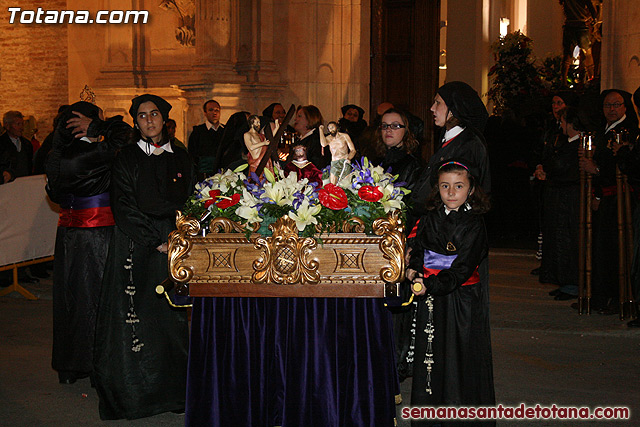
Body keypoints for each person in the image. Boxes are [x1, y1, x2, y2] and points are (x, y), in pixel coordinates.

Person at [93, 94, 194, 420]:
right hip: (137, 247)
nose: (148, 120)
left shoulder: (180, 156)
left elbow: (192, 199)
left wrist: (179, 235)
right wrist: (155, 240)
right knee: (137, 322)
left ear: (164, 118)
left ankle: (175, 393)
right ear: (135, 122)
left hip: (174, 246)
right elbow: (122, 205)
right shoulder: (126, 157)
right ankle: (135, 397)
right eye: (141, 116)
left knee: (171, 322)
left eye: (154, 114)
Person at [45, 101, 131, 385]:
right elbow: (125, 135)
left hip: (67, 235)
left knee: (70, 299)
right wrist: (97, 127)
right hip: (96, 234)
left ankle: (70, 367)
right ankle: (95, 364)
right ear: (85, 122)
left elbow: (55, 195)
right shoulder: (94, 152)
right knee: (96, 299)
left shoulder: (58, 154)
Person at [406, 160, 494, 426]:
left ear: (471, 189)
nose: (451, 192)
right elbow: (419, 248)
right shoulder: (430, 218)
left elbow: (464, 266)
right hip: (431, 298)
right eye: (445, 186)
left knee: (459, 355)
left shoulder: (474, 224)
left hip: (461, 300)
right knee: (431, 353)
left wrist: (431, 284)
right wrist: (413, 269)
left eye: (458, 186)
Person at [579, 88, 639, 314]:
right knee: (599, 248)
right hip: (603, 196)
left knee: (616, 249)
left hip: (619, 198)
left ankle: (617, 296)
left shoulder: (629, 132)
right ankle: (599, 295)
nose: (611, 109)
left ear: (625, 107)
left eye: (616, 105)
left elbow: (623, 166)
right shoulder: (600, 130)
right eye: (607, 105)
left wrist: (595, 169)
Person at [411, 81, 490, 227]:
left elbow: (460, 195)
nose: (432, 108)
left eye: (438, 103)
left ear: (454, 109)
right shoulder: (451, 138)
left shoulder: (469, 144)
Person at [539, 107, 584, 301]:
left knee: (568, 241)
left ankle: (572, 283)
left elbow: (563, 168)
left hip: (570, 200)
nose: (561, 125)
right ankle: (564, 281)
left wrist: (548, 170)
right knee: (558, 240)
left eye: (564, 121)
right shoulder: (566, 143)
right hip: (560, 198)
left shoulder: (579, 145)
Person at [559, 0, 598, 84]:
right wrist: (594, 19)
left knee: (567, 55)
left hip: (569, 24)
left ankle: (564, 81)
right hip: (581, 24)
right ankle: (591, 78)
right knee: (587, 52)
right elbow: (590, 7)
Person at [188, 99, 224, 179]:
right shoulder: (197, 132)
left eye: (217, 110)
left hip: (223, 175)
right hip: (203, 176)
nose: (214, 113)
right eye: (211, 110)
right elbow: (192, 155)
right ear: (205, 113)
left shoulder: (226, 131)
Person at [293, 105, 330, 170]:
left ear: (310, 119)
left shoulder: (317, 140)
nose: (295, 119)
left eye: (299, 116)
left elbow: (317, 166)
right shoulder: (300, 140)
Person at [0, 110, 33, 179]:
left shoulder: (27, 144)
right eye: (18, 124)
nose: (21, 128)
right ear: (7, 125)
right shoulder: (1, 144)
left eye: (22, 124)